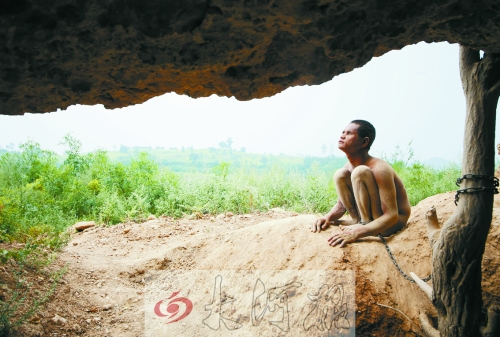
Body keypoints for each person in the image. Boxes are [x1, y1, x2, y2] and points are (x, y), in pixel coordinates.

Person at [311, 120, 411, 247]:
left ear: (364, 142)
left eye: (349, 133)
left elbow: (391, 216)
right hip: (368, 219)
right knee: (340, 174)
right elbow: (341, 205)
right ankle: (357, 220)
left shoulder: (380, 168)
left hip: (391, 222)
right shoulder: (348, 167)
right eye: (342, 132)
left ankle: (364, 223)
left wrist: (361, 231)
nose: (342, 136)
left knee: (361, 172)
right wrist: (328, 217)